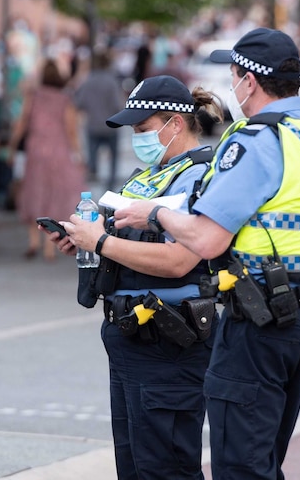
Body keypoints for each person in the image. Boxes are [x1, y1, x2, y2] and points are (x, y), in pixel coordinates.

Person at [111, 28, 300, 479]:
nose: (232, 84)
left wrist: (154, 216)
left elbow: (205, 240)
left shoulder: (259, 141)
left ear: (250, 82)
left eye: (235, 74)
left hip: (260, 322)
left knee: (239, 467)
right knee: (263, 461)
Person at [48, 75, 223, 479]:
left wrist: (104, 243)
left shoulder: (199, 177)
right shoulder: (147, 175)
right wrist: (83, 237)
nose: (136, 138)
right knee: (135, 468)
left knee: (166, 469)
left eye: (143, 129)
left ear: (175, 124)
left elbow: (180, 260)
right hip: (131, 333)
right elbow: (120, 238)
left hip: (169, 339)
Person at [8, 59, 85, 261]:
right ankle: (50, 247)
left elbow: (22, 121)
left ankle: (33, 241)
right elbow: (71, 130)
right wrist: (78, 155)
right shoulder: (65, 99)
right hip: (59, 151)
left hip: (36, 149)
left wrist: (12, 146)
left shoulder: (33, 96)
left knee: (34, 191)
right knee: (55, 194)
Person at [73, 51, 125, 190]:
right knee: (113, 159)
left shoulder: (88, 81)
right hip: (110, 125)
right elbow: (117, 105)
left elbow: (79, 103)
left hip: (93, 125)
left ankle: (92, 185)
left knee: (92, 160)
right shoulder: (111, 81)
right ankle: (111, 187)